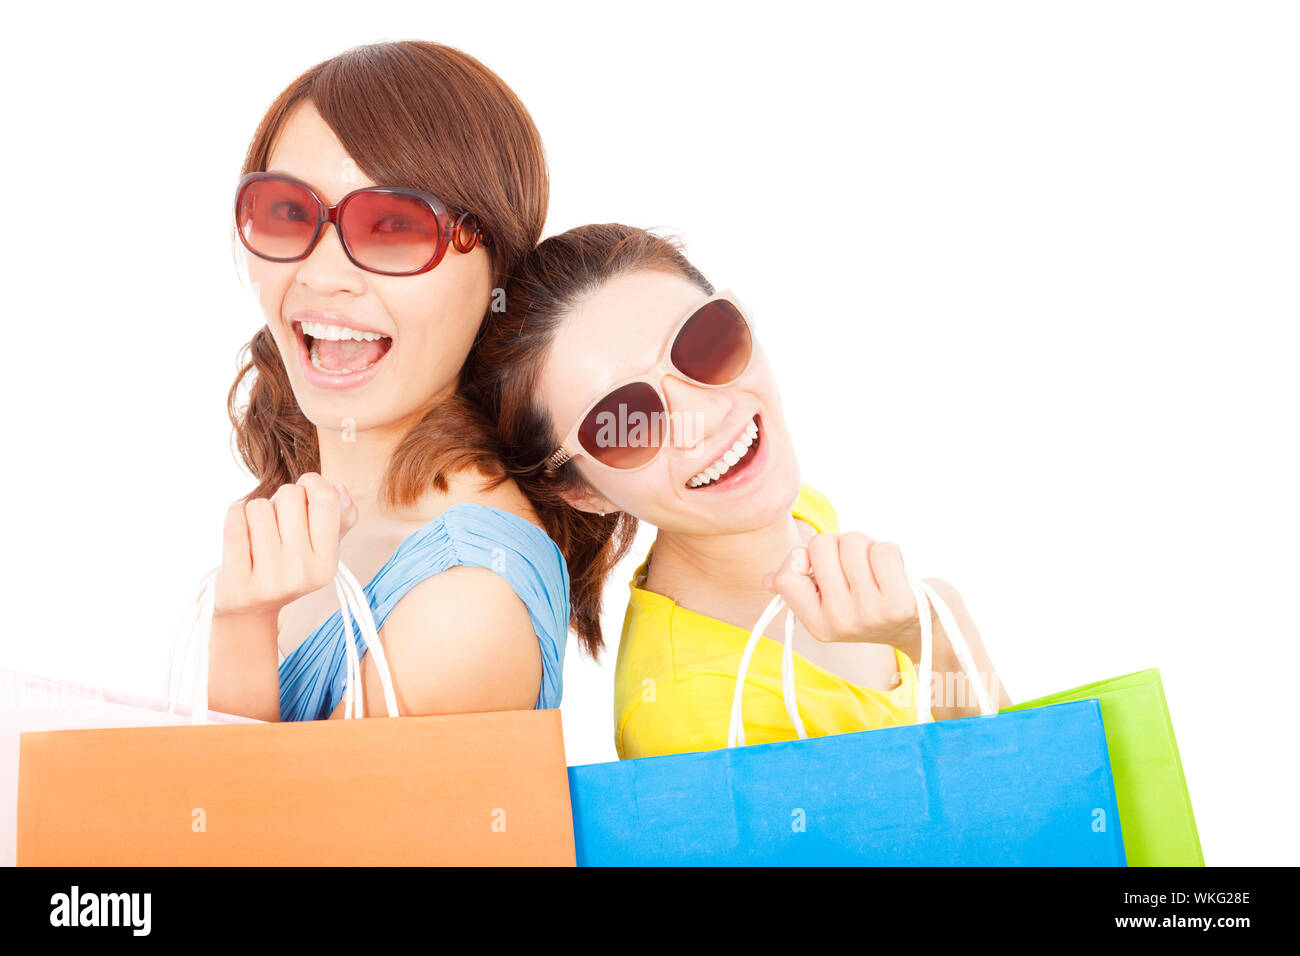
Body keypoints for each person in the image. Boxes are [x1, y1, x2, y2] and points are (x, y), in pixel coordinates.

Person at [467, 224, 1010, 758]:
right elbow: (1030, 820)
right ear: (582, 491)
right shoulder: (693, 723)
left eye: (706, 343)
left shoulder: (782, 505)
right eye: (625, 421)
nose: (706, 415)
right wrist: (941, 637)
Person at [207, 41, 572, 723]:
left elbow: (251, 831)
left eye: (395, 227)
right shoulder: (315, 507)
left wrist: (241, 631)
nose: (322, 275)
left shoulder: (467, 600)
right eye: (287, 211)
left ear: (498, 269)